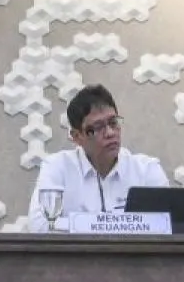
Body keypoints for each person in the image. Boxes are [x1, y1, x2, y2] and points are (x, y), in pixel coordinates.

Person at [28, 84, 169, 232]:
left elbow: (167, 225)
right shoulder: (57, 167)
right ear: (77, 137)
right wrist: (103, 224)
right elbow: (39, 226)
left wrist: (80, 224)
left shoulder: (147, 170)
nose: (110, 133)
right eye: (98, 127)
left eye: (113, 123)